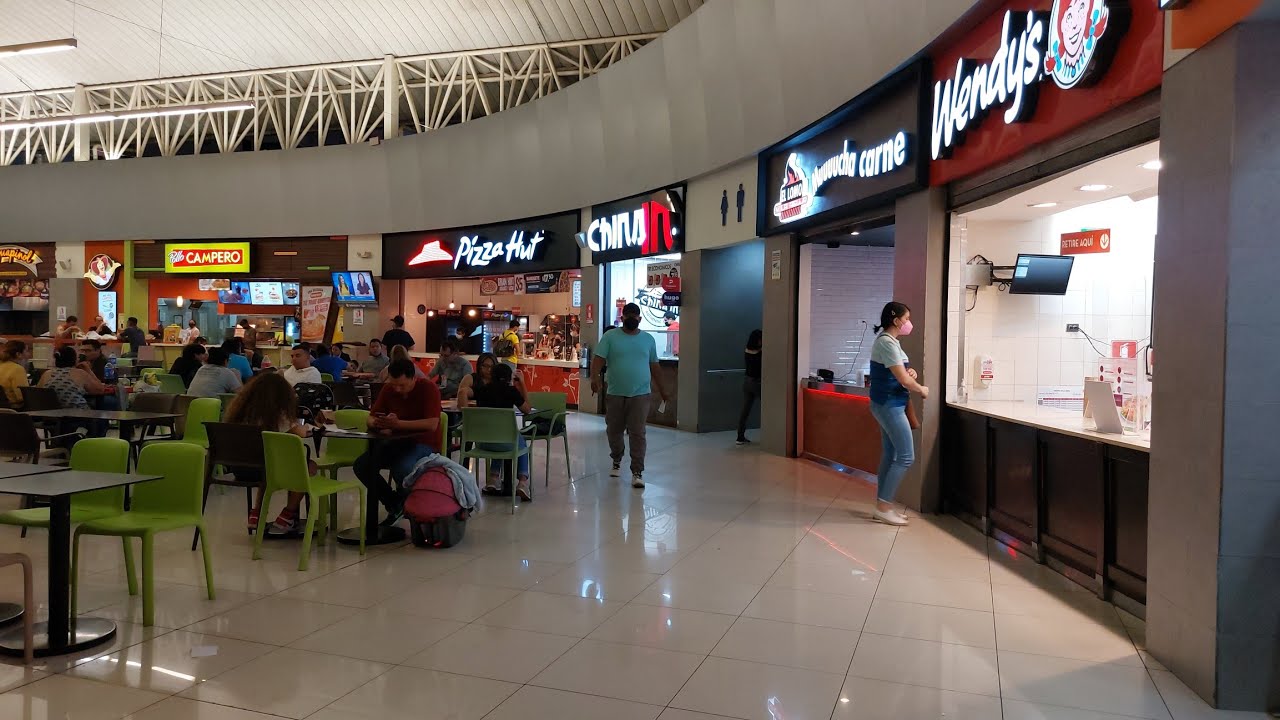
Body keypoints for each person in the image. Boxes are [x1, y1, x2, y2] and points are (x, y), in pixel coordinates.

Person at [589, 303, 670, 489]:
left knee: (638, 433)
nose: (632, 319)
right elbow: (598, 359)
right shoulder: (610, 337)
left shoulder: (648, 339)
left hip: (640, 394)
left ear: (639, 318)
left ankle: (637, 471)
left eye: (635, 316)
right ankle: (617, 459)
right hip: (615, 392)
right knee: (614, 430)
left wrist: (663, 389)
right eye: (628, 316)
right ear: (622, 318)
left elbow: (655, 366)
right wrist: (594, 378)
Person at [353, 358, 442, 525]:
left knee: (402, 468)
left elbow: (431, 424)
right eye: (394, 384)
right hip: (396, 441)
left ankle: (411, 506)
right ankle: (395, 503)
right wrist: (380, 424)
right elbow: (371, 418)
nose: (397, 389)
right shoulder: (388, 389)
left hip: (424, 443)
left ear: (413, 378)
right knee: (362, 465)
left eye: (402, 385)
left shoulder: (428, 388)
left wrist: (397, 424)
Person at [224, 373, 315, 531]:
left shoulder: (239, 412)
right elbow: (300, 433)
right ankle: (287, 515)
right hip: (264, 470)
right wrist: (305, 426)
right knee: (307, 466)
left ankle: (256, 513)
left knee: (266, 467)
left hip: (239, 468)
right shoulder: (275, 416)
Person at [867, 302, 929, 526]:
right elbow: (902, 379)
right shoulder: (887, 342)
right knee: (905, 456)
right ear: (896, 320)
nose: (908, 323)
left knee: (890, 454)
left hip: (888, 404)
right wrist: (921, 389)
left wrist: (909, 371)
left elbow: (900, 372)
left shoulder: (891, 342)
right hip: (889, 405)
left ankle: (882, 506)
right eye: (906, 319)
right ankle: (884, 507)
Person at [469, 362, 534, 499]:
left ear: (492, 376)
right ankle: (522, 482)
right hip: (505, 443)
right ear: (509, 378)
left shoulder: (482, 390)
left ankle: (493, 478)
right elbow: (527, 409)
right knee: (520, 440)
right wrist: (522, 384)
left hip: (482, 442)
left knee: (497, 434)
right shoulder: (511, 391)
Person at [40, 346, 108, 437]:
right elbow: (100, 389)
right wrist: (88, 369)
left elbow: (38, 392)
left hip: (50, 417)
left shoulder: (46, 374)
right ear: (74, 360)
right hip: (77, 415)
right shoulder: (79, 373)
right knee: (102, 417)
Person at [737, 329, 762, 445]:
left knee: (745, 411)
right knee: (769, 407)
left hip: (747, 382)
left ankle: (740, 437)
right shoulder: (760, 352)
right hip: (757, 383)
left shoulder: (747, 350)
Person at [0, 340, 29, 408]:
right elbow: (22, 396)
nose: (28, 355)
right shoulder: (17, 369)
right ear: (18, 354)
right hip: (14, 409)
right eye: (26, 351)